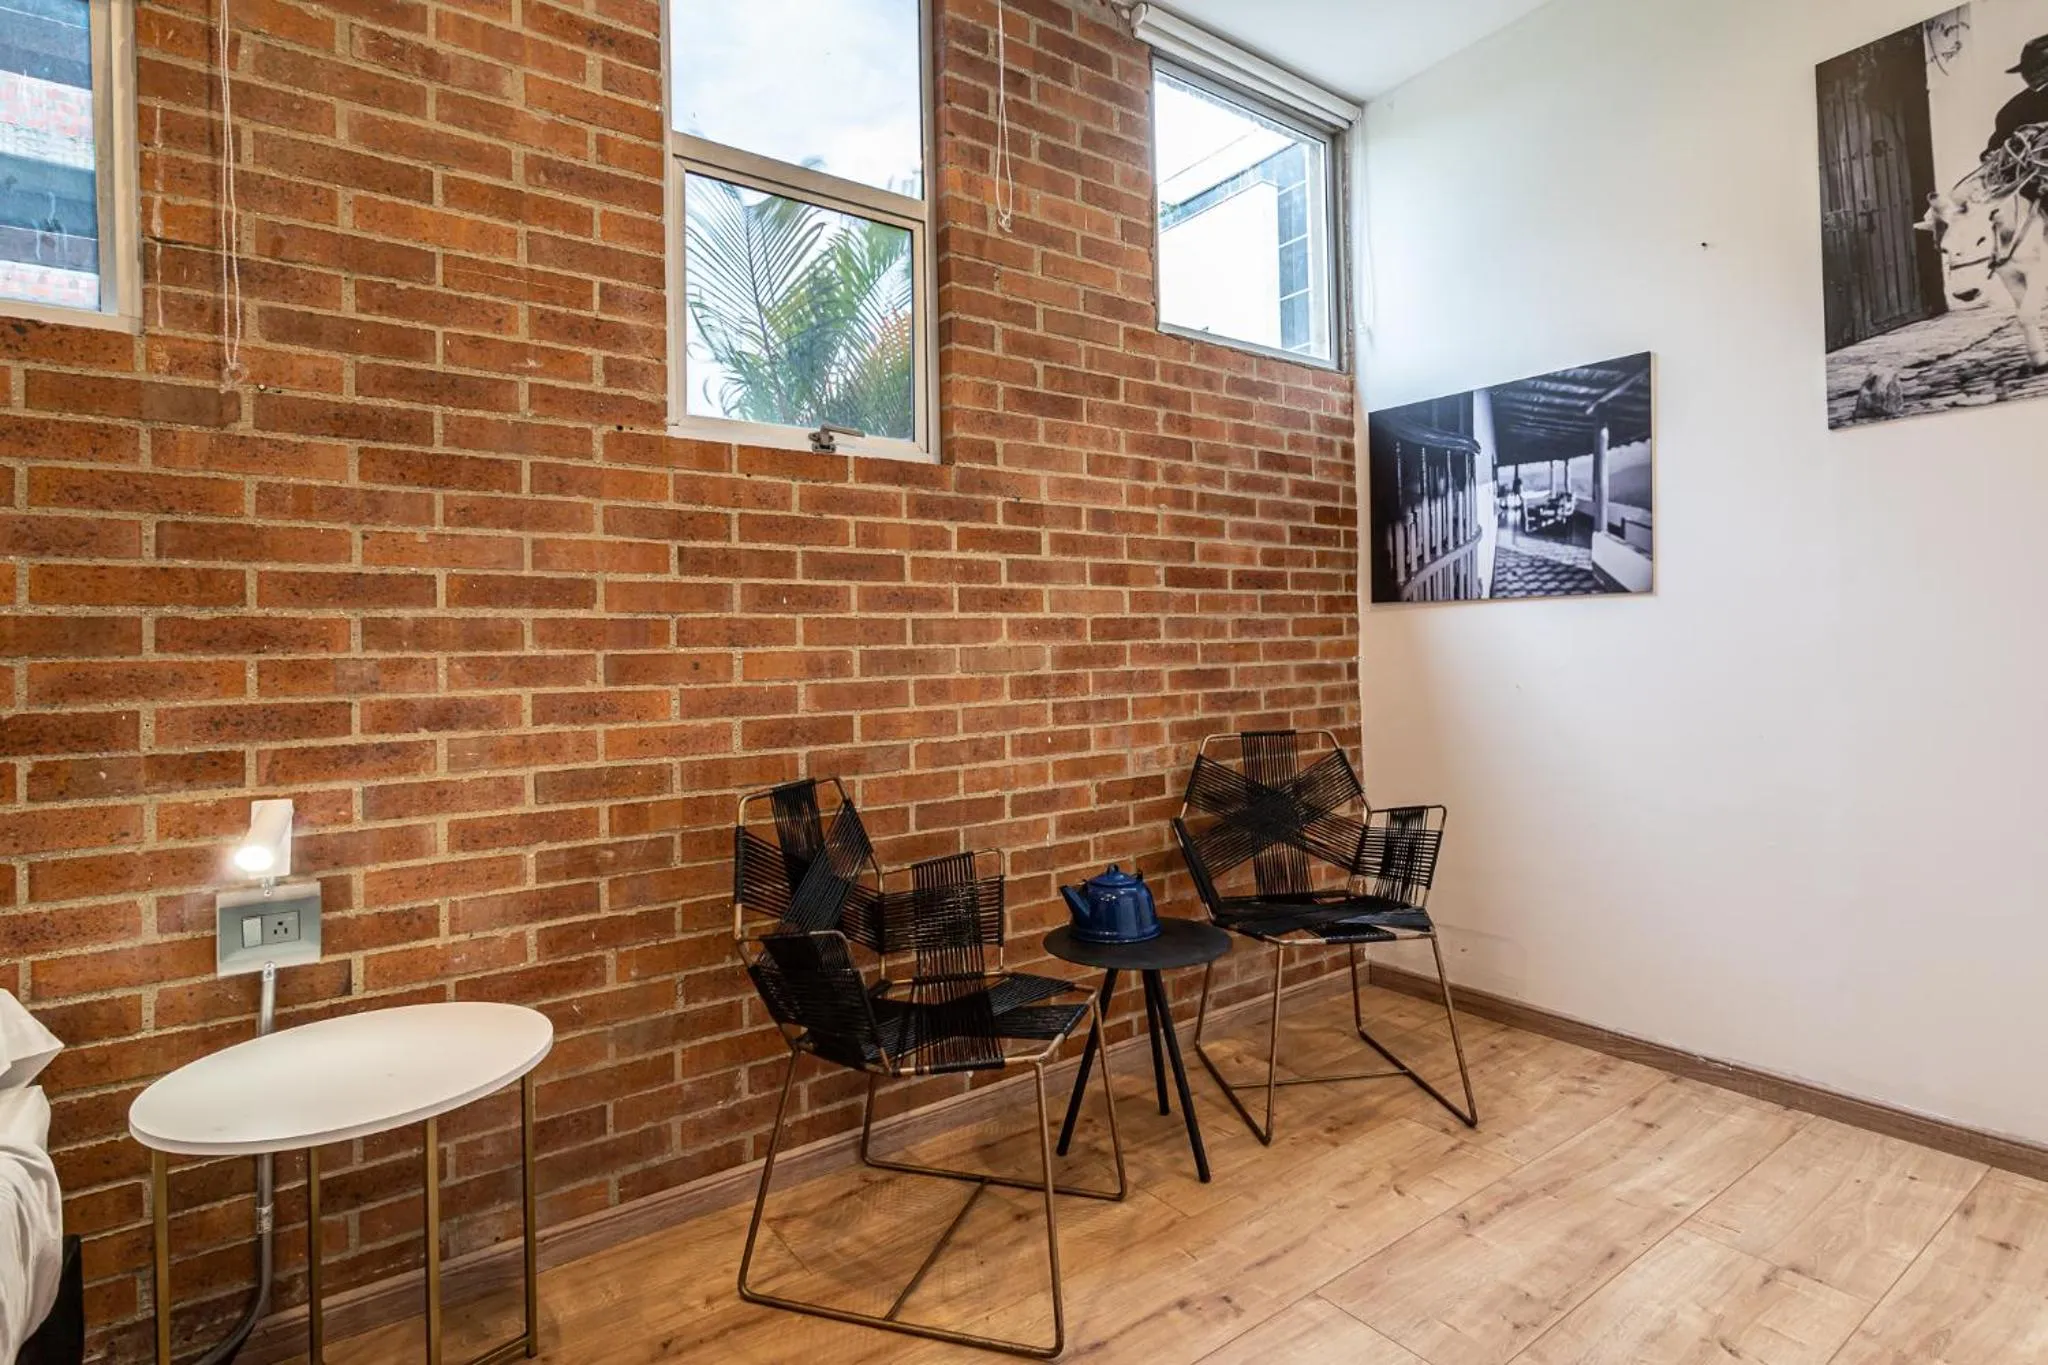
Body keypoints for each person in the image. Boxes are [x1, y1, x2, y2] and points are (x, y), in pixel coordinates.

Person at [1985, 35, 2048, 160]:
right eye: (2027, 70)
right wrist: (1990, 155)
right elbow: (1993, 150)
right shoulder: (2012, 111)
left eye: (2038, 68)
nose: (2031, 74)